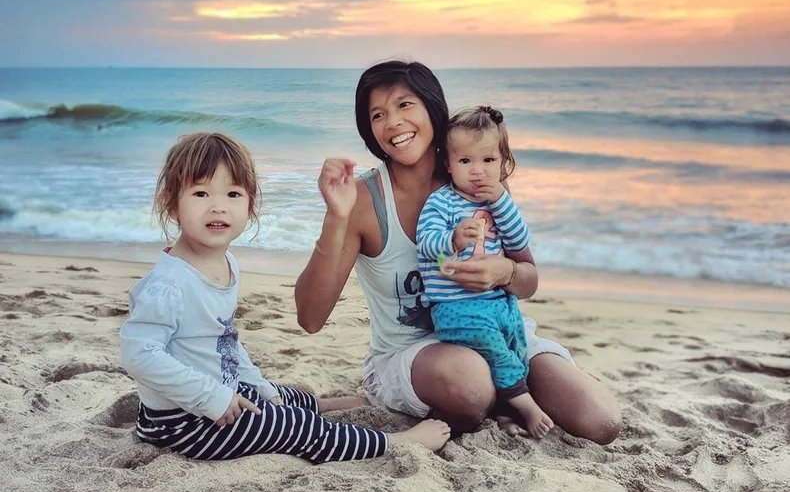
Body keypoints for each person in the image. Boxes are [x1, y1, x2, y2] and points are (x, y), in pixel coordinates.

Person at [295, 60, 621, 443]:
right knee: (471, 384)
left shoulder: (479, 179)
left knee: (601, 422)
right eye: (377, 114)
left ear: (433, 107)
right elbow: (310, 319)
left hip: (499, 336)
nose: (393, 122)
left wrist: (504, 273)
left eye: (404, 105)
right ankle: (389, 399)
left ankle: (506, 399)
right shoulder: (364, 199)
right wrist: (336, 216)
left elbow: (529, 278)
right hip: (414, 356)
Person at [119, 132, 451, 463]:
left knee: (279, 395)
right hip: (185, 422)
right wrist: (211, 397)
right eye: (201, 193)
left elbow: (224, 343)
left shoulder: (223, 262)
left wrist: (257, 386)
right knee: (296, 427)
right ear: (171, 203)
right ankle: (395, 443)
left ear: (250, 204)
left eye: (233, 193)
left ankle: (317, 404)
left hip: (219, 392)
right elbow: (139, 355)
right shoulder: (169, 284)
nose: (218, 206)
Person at [416, 105, 553, 438]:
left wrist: (502, 201)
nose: (477, 171)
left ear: (504, 163)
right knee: (495, 349)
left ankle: (505, 414)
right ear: (448, 164)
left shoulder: (499, 202)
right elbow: (425, 242)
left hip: (499, 303)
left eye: (488, 161)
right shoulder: (442, 202)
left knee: (515, 345)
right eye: (465, 161)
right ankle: (525, 404)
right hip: (456, 307)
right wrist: (453, 238)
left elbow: (519, 241)